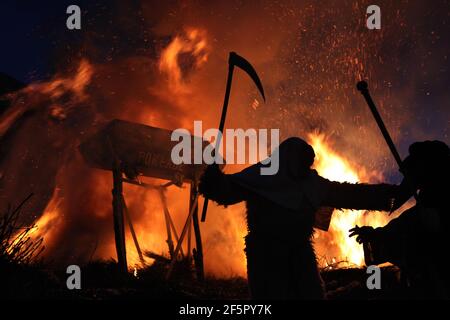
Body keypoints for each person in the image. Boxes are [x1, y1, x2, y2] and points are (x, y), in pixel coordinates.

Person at [199, 137, 401, 299]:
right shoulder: (261, 176)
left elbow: (349, 194)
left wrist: (392, 195)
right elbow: (226, 191)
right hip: (266, 255)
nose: (307, 167)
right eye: (303, 162)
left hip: (300, 254)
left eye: (308, 162)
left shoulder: (311, 183)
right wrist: (213, 180)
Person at [349, 140, 450, 298]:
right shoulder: (421, 211)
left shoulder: (433, 208)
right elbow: (400, 226)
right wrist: (375, 234)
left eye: (416, 177)